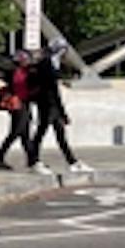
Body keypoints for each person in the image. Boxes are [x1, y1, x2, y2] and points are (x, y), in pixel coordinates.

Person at [28, 38, 92, 173]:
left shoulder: (48, 63)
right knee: (43, 132)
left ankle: (71, 161)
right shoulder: (47, 64)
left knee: (56, 133)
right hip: (49, 105)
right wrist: (63, 112)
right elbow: (53, 90)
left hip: (48, 104)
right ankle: (34, 161)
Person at [0, 51, 36, 170]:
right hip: (19, 105)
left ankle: (32, 160)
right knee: (16, 133)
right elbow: (20, 88)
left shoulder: (20, 72)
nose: (29, 62)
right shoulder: (18, 73)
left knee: (25, 135)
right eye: (26, 60)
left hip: (23, 104)